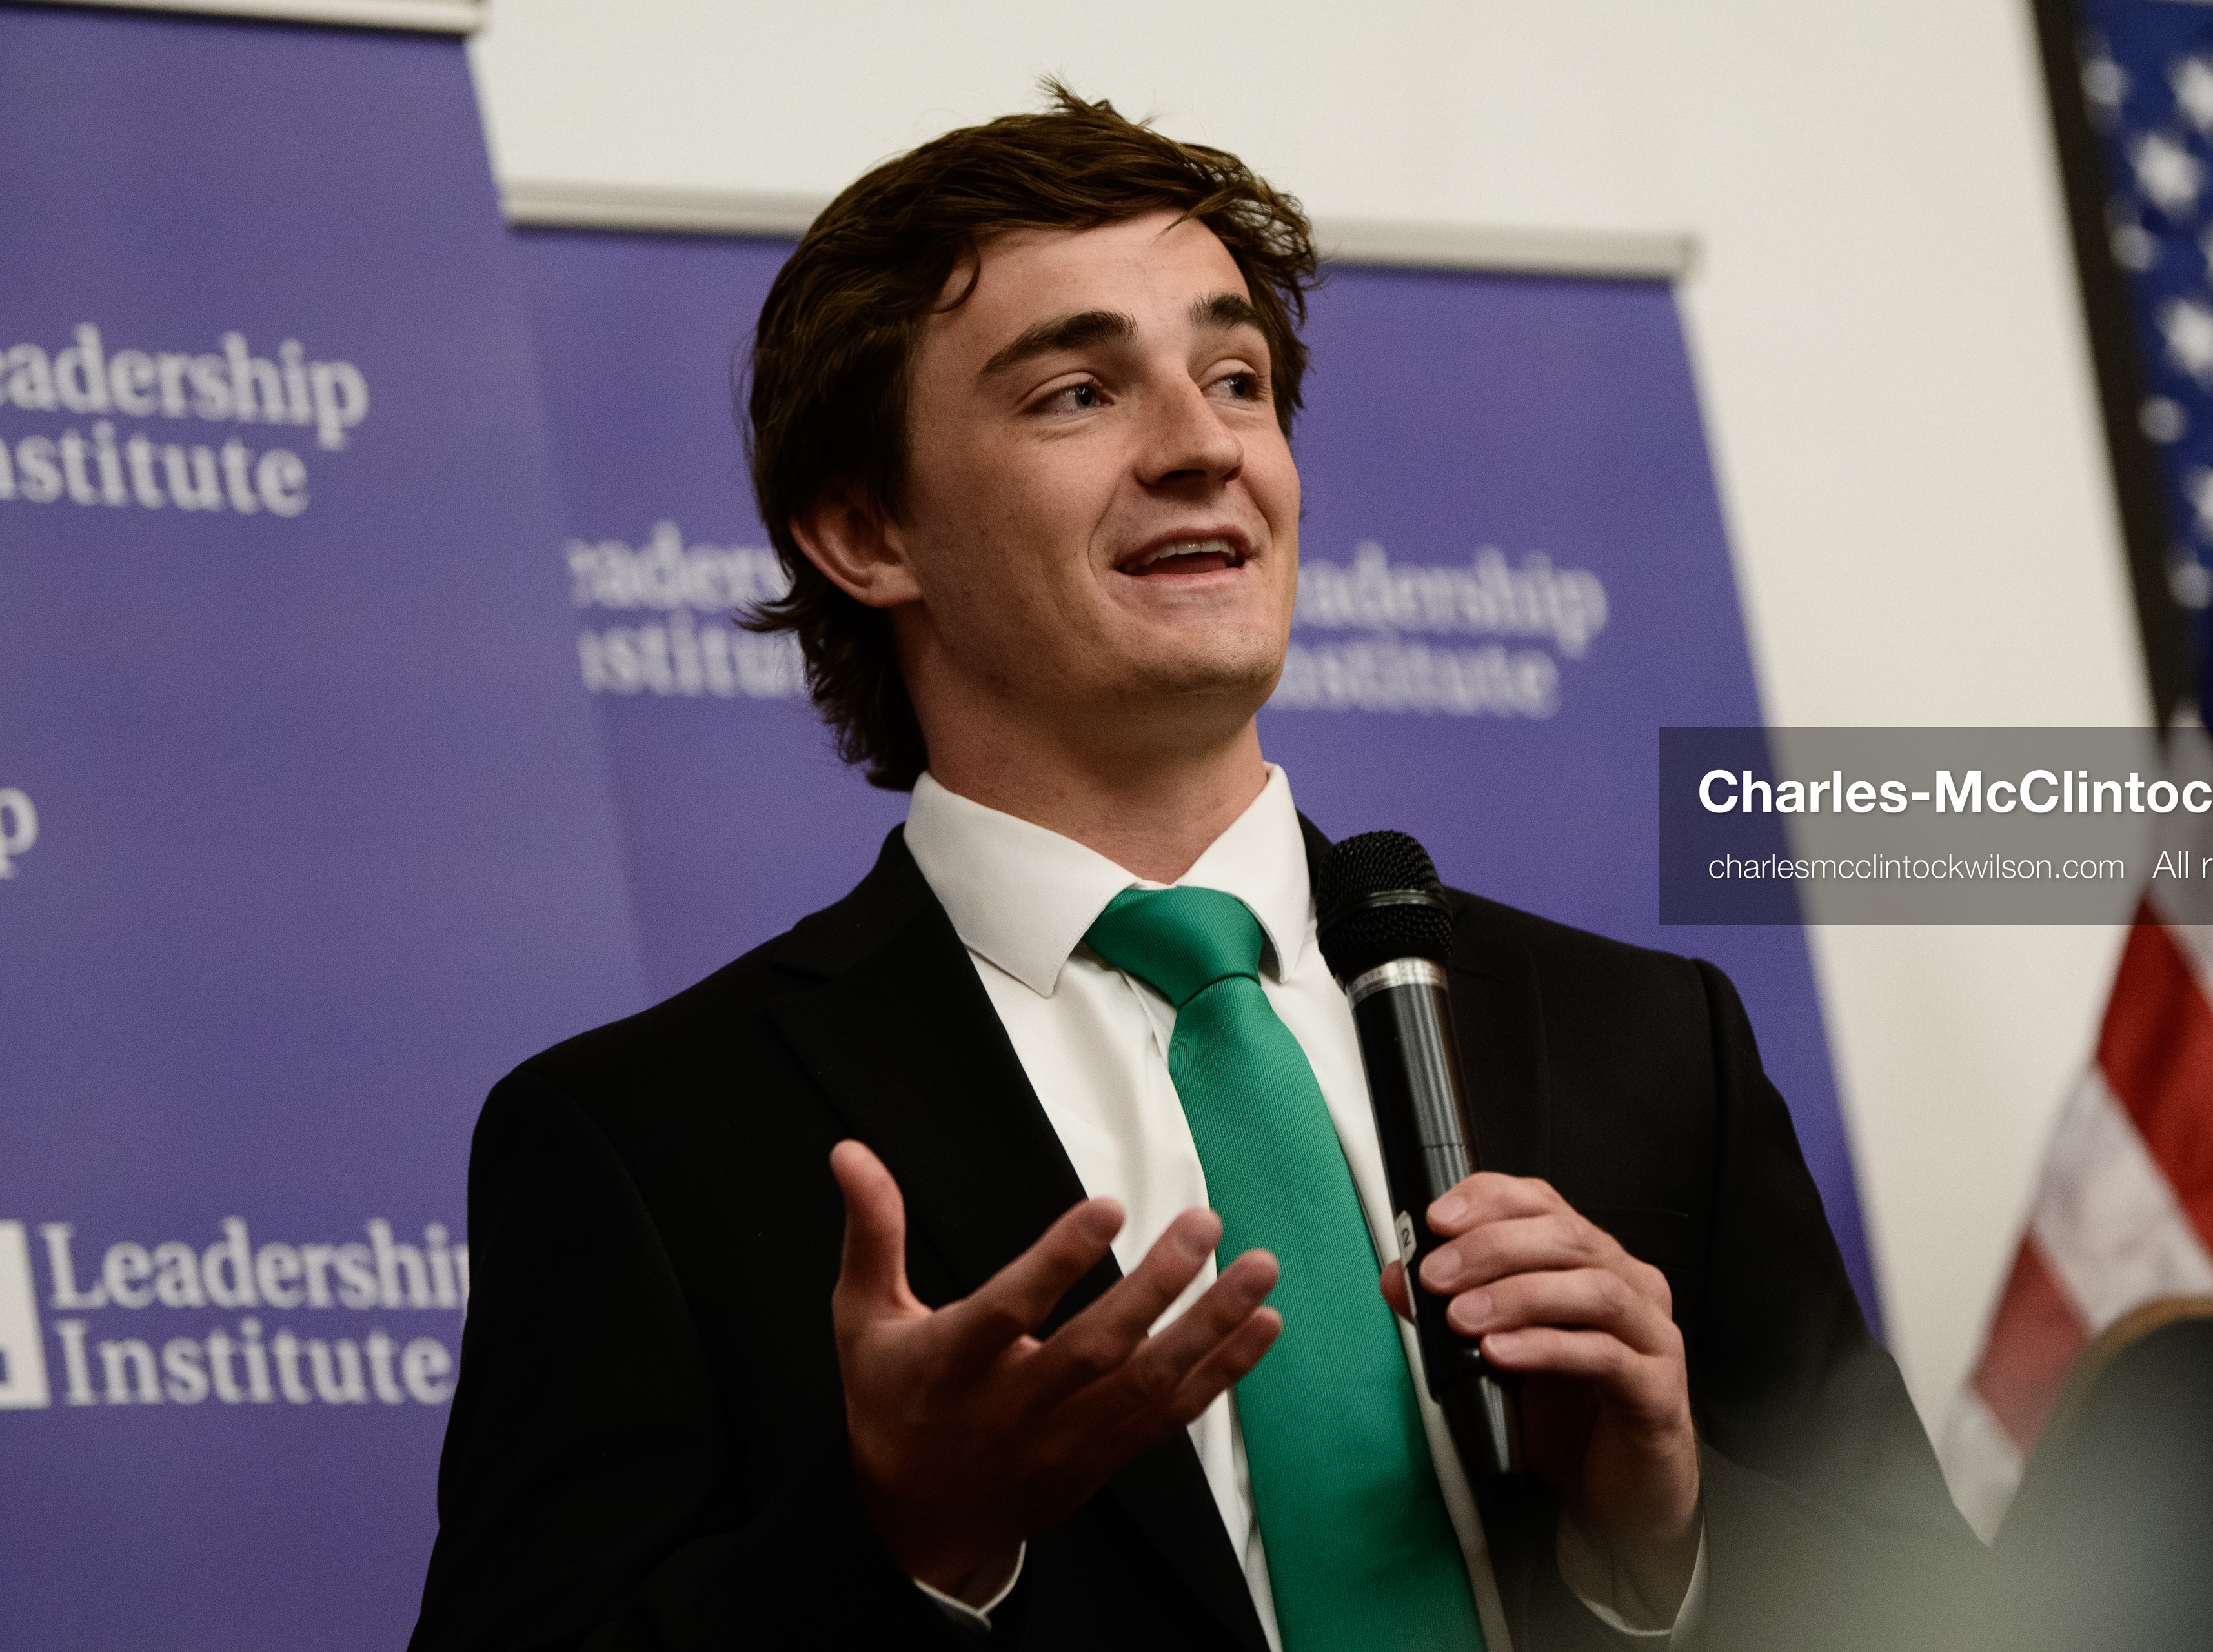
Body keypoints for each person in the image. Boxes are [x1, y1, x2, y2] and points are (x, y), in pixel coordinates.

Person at [409, 88, 1979, 1652]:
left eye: (1237, 377)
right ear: (863, 528)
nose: (1204, 445)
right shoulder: (648, 1139)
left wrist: (1673, 1536)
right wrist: (902, 1543)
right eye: (1079, 395)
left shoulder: (1653, 1038)